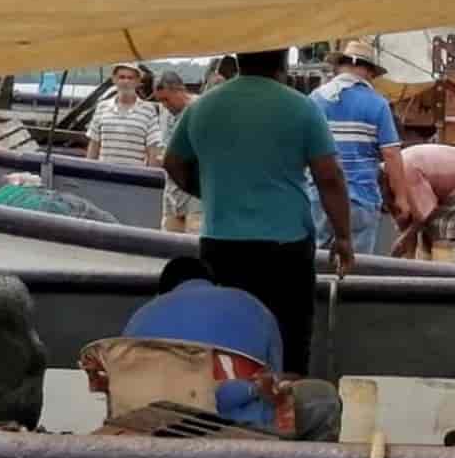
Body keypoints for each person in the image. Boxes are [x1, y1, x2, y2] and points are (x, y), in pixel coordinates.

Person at [163, 48, 353, 375]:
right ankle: (284, 413)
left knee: (227, 340)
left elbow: (173, 163)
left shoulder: (204, 106)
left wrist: (211, 191)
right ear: (283, 63)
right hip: (284, 248)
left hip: (220, 245)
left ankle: (229, 413)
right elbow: (330, 178)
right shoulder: (301, 107)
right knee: (288, 341)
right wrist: (344, 236)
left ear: (238, 61)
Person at [120, 257, 340, 439]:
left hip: (153, 434)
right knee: (323, 397)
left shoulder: (138, 318)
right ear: (214, 285)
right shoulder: (252, 306)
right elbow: (273, 386)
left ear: (162, 293)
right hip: (244, 433)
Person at [308, 40, 411, 257]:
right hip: (360, 199)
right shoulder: (377, 104)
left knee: (316, 263)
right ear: (367, 70)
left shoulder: (316, 99)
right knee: (356, 267)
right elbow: (391, 154)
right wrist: (401, 197)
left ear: (340, 65)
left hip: (319, 198)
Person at [389, 143, 455, 262]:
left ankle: (443, 278)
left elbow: (426, 215)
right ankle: (421, 277)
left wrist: (403, 240)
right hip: (451, 180)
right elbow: (408, 224)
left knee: (440, 228)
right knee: (426, 233)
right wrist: (406, 247)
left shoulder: (405, 171)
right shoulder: (391, 177)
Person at [151, 70, 202, 233]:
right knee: (167, 236)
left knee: (194, 233)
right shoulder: (165, 112)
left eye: (166, 99)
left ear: (180, 90)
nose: (164, 105)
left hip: (195, 190)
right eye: (160, 101)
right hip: (171, 190)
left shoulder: (201, 109)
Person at [88, 62, 163, 168]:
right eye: (122, 77)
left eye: (130, 78)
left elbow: (153, 147)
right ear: (114, 80)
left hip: (134, 177)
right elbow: (94, 144)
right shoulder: (102, 107)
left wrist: (151, 177)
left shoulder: (149, 110)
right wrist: (89, 170)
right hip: (103, 174)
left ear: (138, 81)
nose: (126, 81)